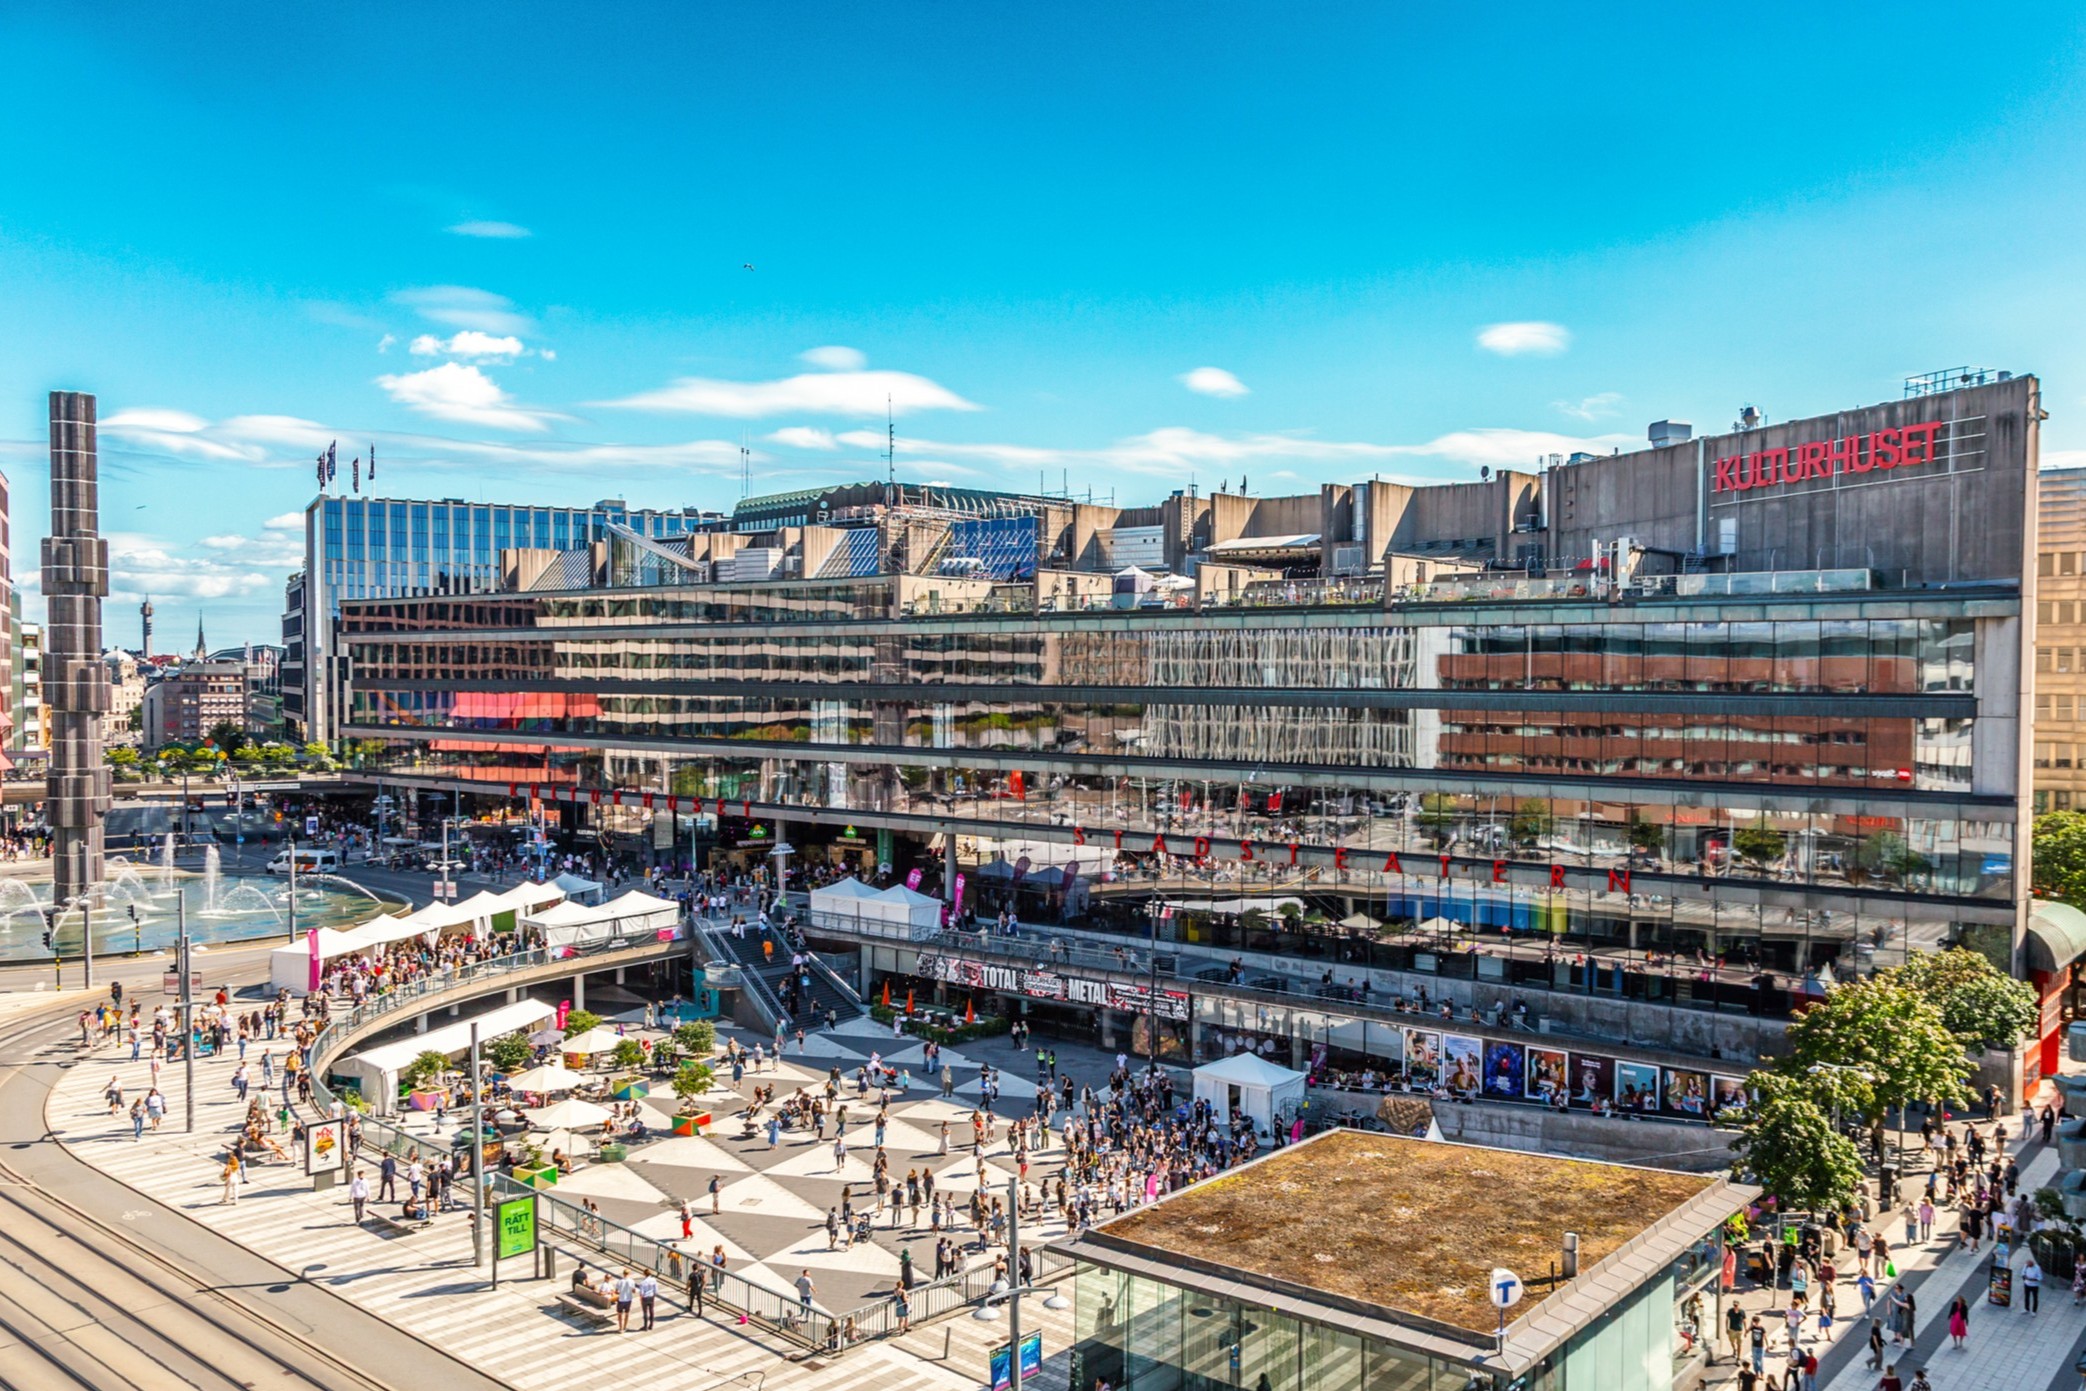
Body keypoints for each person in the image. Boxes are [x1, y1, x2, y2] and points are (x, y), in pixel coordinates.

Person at [613, 1268, 636, 1332]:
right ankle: (625, 1327)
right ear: (629, 1274)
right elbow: (634, 1291)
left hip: (621, 1299)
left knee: (620, 1314)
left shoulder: (620, 1281)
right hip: (628, 1299)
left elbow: (616, 1291)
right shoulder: (632, 1281)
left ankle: (620, 1328)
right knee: (627, 1313)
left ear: (623, 1274)